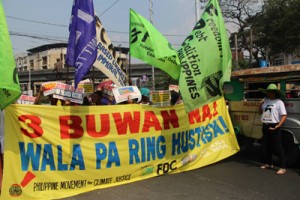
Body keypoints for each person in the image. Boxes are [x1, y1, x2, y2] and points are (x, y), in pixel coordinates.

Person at [258, 83, 287, 175]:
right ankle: (269, 163)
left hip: (275, 125)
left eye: (270, 92)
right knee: (266, 145)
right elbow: (260, 112)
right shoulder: (265, 101)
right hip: (266, 125)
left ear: (274, 93)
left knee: (278, 146)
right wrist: (260, 105)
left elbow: (284, 115)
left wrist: (278, 125)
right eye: (268, 92)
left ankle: (283, 167)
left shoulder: (279, 102)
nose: (268, 93)